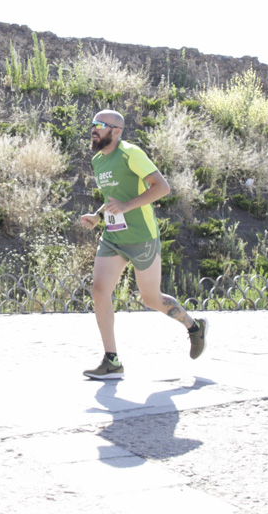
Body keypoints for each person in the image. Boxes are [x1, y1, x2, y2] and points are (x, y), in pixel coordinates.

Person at [77, 109, 208, 380]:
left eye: (100, 125)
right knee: (100, 291)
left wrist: (126, 206)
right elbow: (114, 197)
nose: (94, 129)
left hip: (141, 237)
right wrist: (98, 216)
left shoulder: (131, 153)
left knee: (151, 298)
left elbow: (162, 187)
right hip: (113, 237)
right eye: (92, 124)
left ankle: (194, 327)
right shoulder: (98, 160)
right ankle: (111, 360)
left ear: (116, 131)